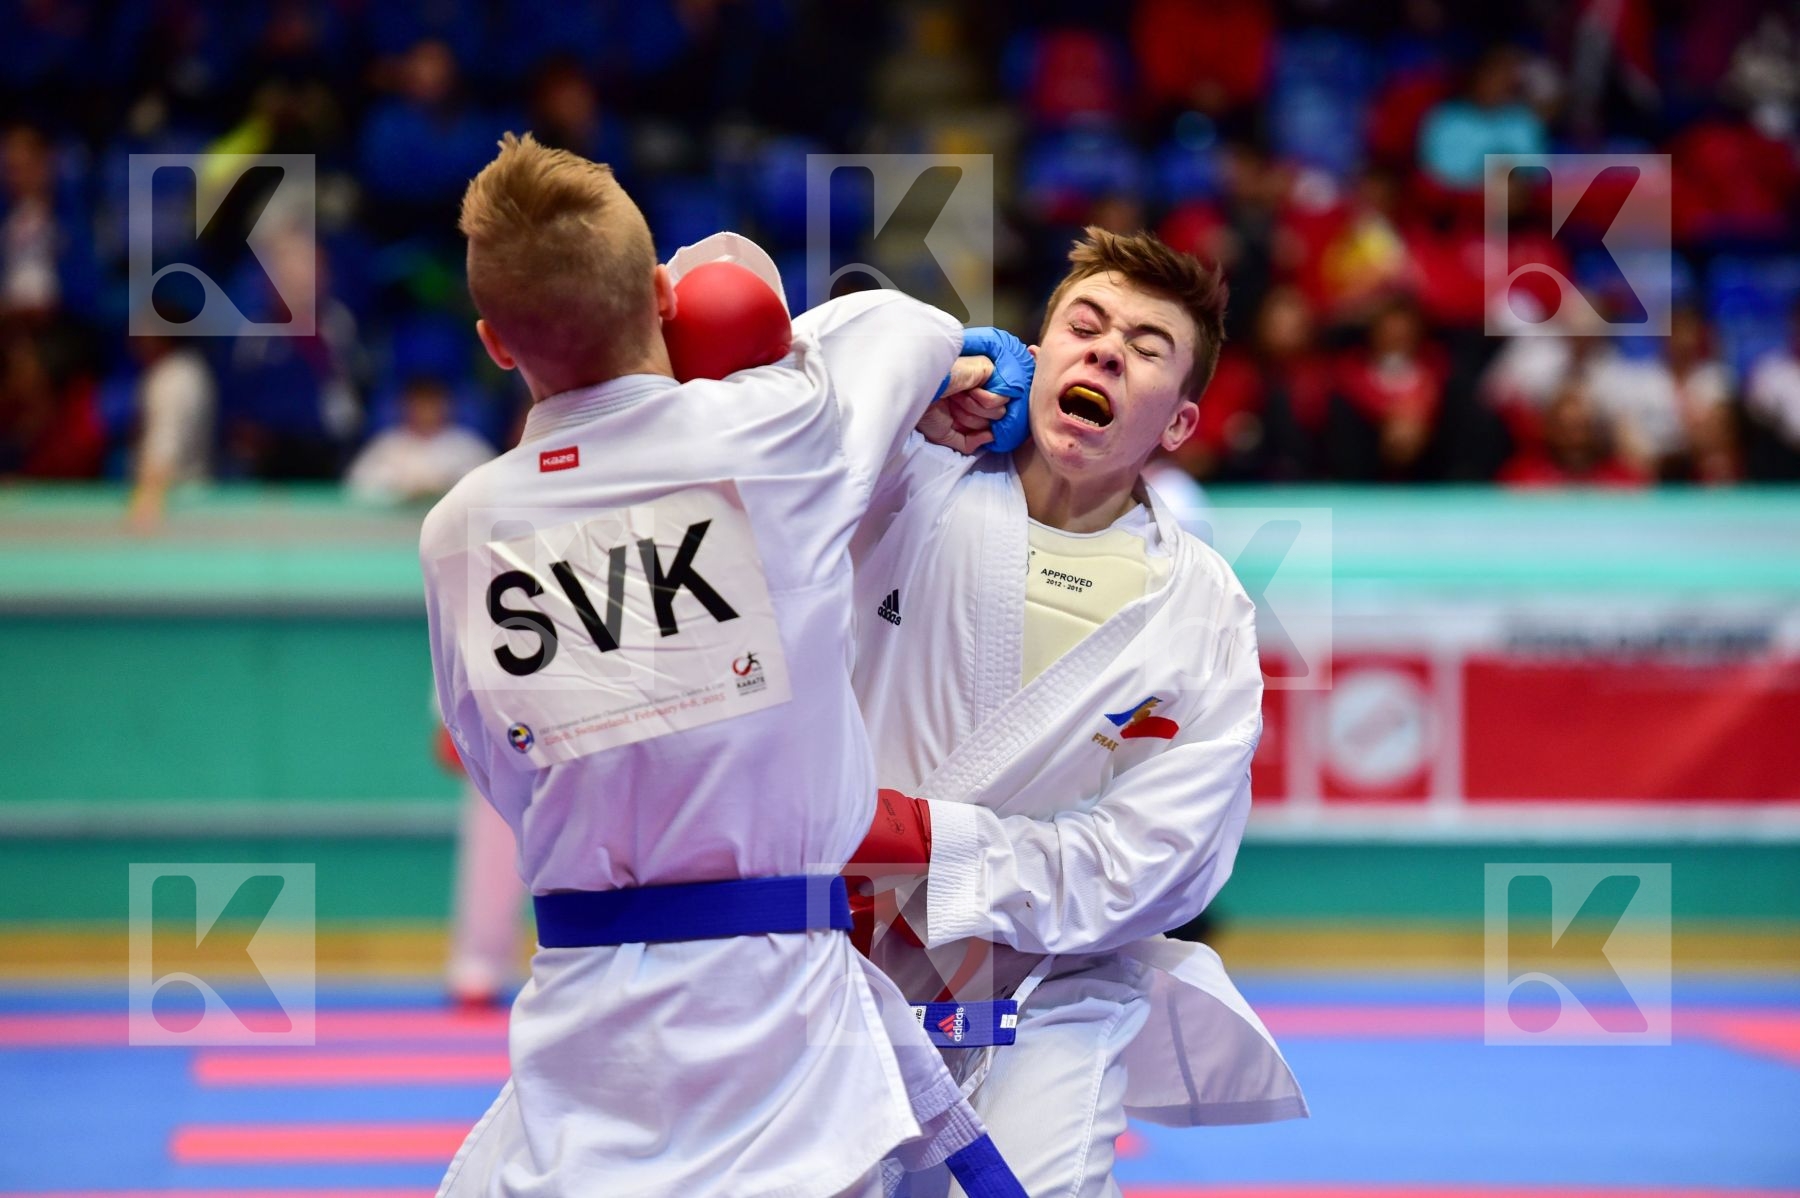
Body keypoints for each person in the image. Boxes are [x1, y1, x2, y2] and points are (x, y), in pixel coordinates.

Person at [421, 133, 1023, 1198]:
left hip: (582, 1046)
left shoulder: (461, 531)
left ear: (495, 345)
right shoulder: (769, 429)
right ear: (661, 292)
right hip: (783, 1043)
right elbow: (909, 325)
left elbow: (501, 771)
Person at [846, 228, 1307, 1197]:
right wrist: (917, 377)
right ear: (1036, 353)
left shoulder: (1202, 615)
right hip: (842, 968)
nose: (1104, 349)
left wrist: (933, 840)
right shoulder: (902, 484)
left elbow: (1158, 860)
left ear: (1178, 427)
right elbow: (753, 396)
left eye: (1146, 348)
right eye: (1084, 326)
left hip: (1043, 994)